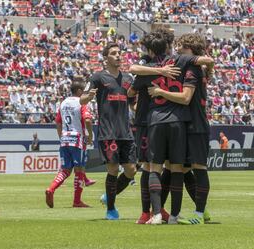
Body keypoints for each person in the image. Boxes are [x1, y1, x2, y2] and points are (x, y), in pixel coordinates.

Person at [129, 31, 214, 225]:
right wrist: (162, 72)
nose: (178, 50)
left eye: (182, 47)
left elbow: (185, 98)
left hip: (193, 124)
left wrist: (159, 91)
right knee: (178, 169)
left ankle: (194, 213)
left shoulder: (189, 66)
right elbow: (134, 67)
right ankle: (168, 214)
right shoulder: (181, 64)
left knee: (179, 168)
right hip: (181, 123)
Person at [80, 43, 137, 220]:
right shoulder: (97, 77)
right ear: (106, 58)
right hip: (108, 131)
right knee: (113, 168)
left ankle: (107, 196)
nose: (118, 56)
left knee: (131, 170)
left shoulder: (128, 79)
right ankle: (111, 209)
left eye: (119, 53)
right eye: (113, 53)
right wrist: (88, 97)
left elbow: (133, 103)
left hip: (125, 132)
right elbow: (82, 99)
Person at [45, 79, 93, 208]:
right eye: (83, 92)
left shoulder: (63, 103)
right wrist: (90, 135)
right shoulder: (81, 102)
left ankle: (51, 189)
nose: (85, 94)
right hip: (77, 139)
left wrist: (61, 137)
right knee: (80, 170)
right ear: (79, 91)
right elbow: (87, 120)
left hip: (65, 138)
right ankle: (77, 201)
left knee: (65, 170)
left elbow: (58, 122)